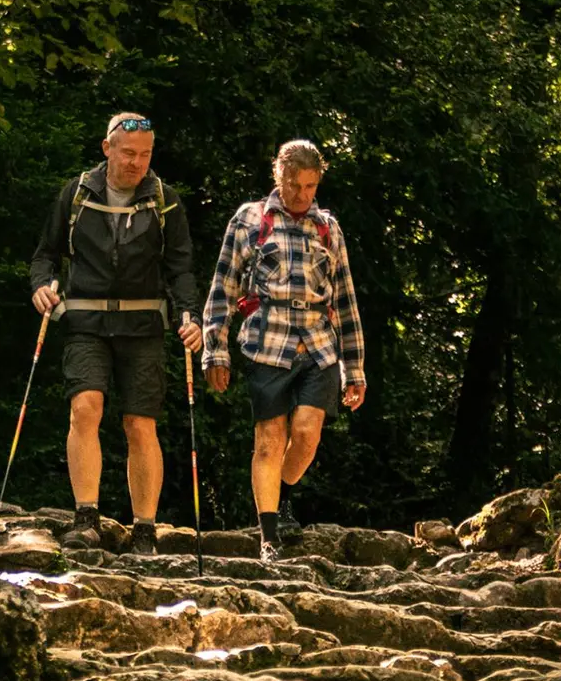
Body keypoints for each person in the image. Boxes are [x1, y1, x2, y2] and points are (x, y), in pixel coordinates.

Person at [30, 112, 201, 554]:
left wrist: (190, 315)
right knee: (85, 408)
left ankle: (144, 530)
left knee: (140, 423)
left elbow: (181, 268)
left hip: (143, 326)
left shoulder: (166, 200)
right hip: (85, 321)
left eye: (145, 154)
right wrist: (41, 286)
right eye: (128, 153)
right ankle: (86, 517)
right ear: (107, 148)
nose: (137, 163)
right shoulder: (76, 193)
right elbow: (45, 255)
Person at [201, 139, 365, 562]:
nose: (302, 195)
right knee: (270, 441)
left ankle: (284, 493)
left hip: (319, 343)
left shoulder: (328, 228)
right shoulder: (249, 220)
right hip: (265, 341)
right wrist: (214, 350)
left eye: (310, 186)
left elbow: (345, 299)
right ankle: (269, 537)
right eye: (294, 185)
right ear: (279, 176)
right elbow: (223, 288)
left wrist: (355, 369)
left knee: (307, 434)